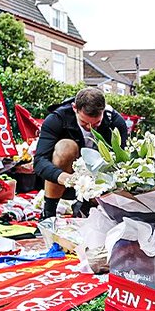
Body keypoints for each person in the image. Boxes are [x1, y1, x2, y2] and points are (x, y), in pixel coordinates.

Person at [33, 87, 128, 220]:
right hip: (64, 176)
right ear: (74, 108)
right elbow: (38, 161)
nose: (90, 128)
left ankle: (89, 208)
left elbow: (121, 162)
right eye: (84, 123)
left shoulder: (115, 122)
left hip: (98, 177)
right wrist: (61, 176)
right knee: (65, 147)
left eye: (96, 124)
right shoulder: (57, 119)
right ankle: (48, 213)